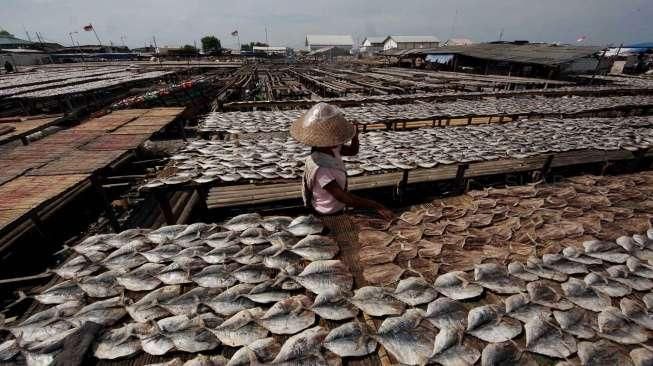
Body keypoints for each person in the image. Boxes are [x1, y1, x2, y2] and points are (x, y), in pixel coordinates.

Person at [291, 102, 394, 220]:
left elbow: (352, 151)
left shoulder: (332, 147)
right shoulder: (321, 168)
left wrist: (355, 136)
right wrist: (376, 205)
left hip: (337, 207)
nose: (338, 137)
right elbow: (343, 197)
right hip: (327, 214)